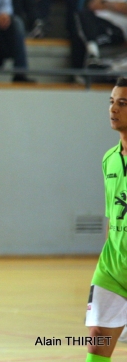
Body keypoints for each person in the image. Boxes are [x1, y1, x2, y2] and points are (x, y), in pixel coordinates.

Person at [85, 76, 127, 362]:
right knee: (97, 339)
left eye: (122, 103)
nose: (113, 109)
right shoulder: (109, 158)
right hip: (112, 268)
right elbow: (111, 217)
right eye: (111, 102)